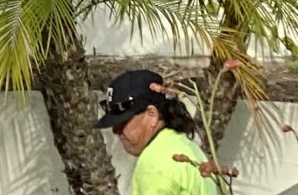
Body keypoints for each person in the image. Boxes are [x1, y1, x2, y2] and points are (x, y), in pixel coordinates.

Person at [95, 70, 229, 188]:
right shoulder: (188, 148)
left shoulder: (153, 165)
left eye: (122, 122)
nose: (115, 130)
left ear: (152, 115)